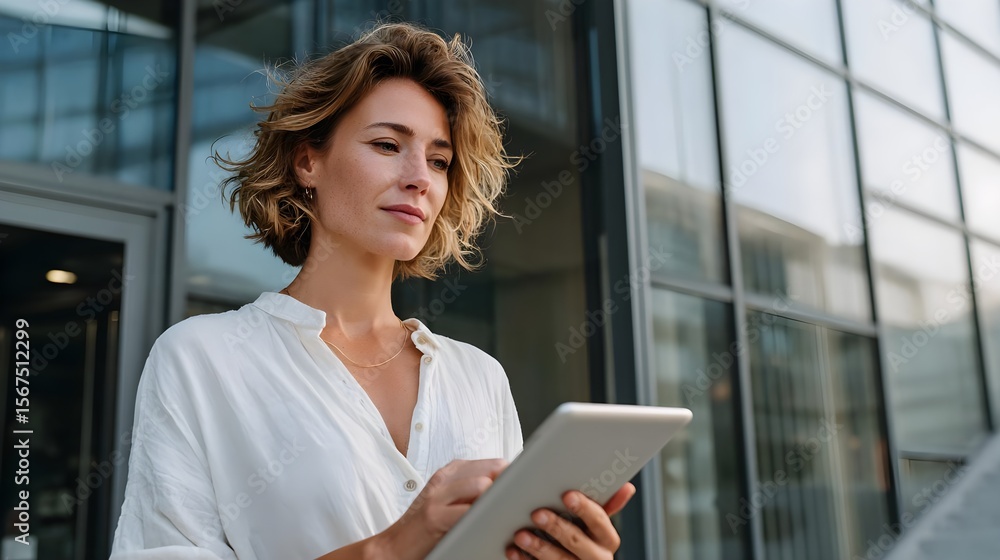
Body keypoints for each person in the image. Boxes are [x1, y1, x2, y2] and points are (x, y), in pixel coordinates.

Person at [109, 22, 635, 560]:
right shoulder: (203, 359)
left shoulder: (479, 378)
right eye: (388, 144)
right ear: (307, 160)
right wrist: (389, 548)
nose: (419, 178)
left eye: (439, 160)